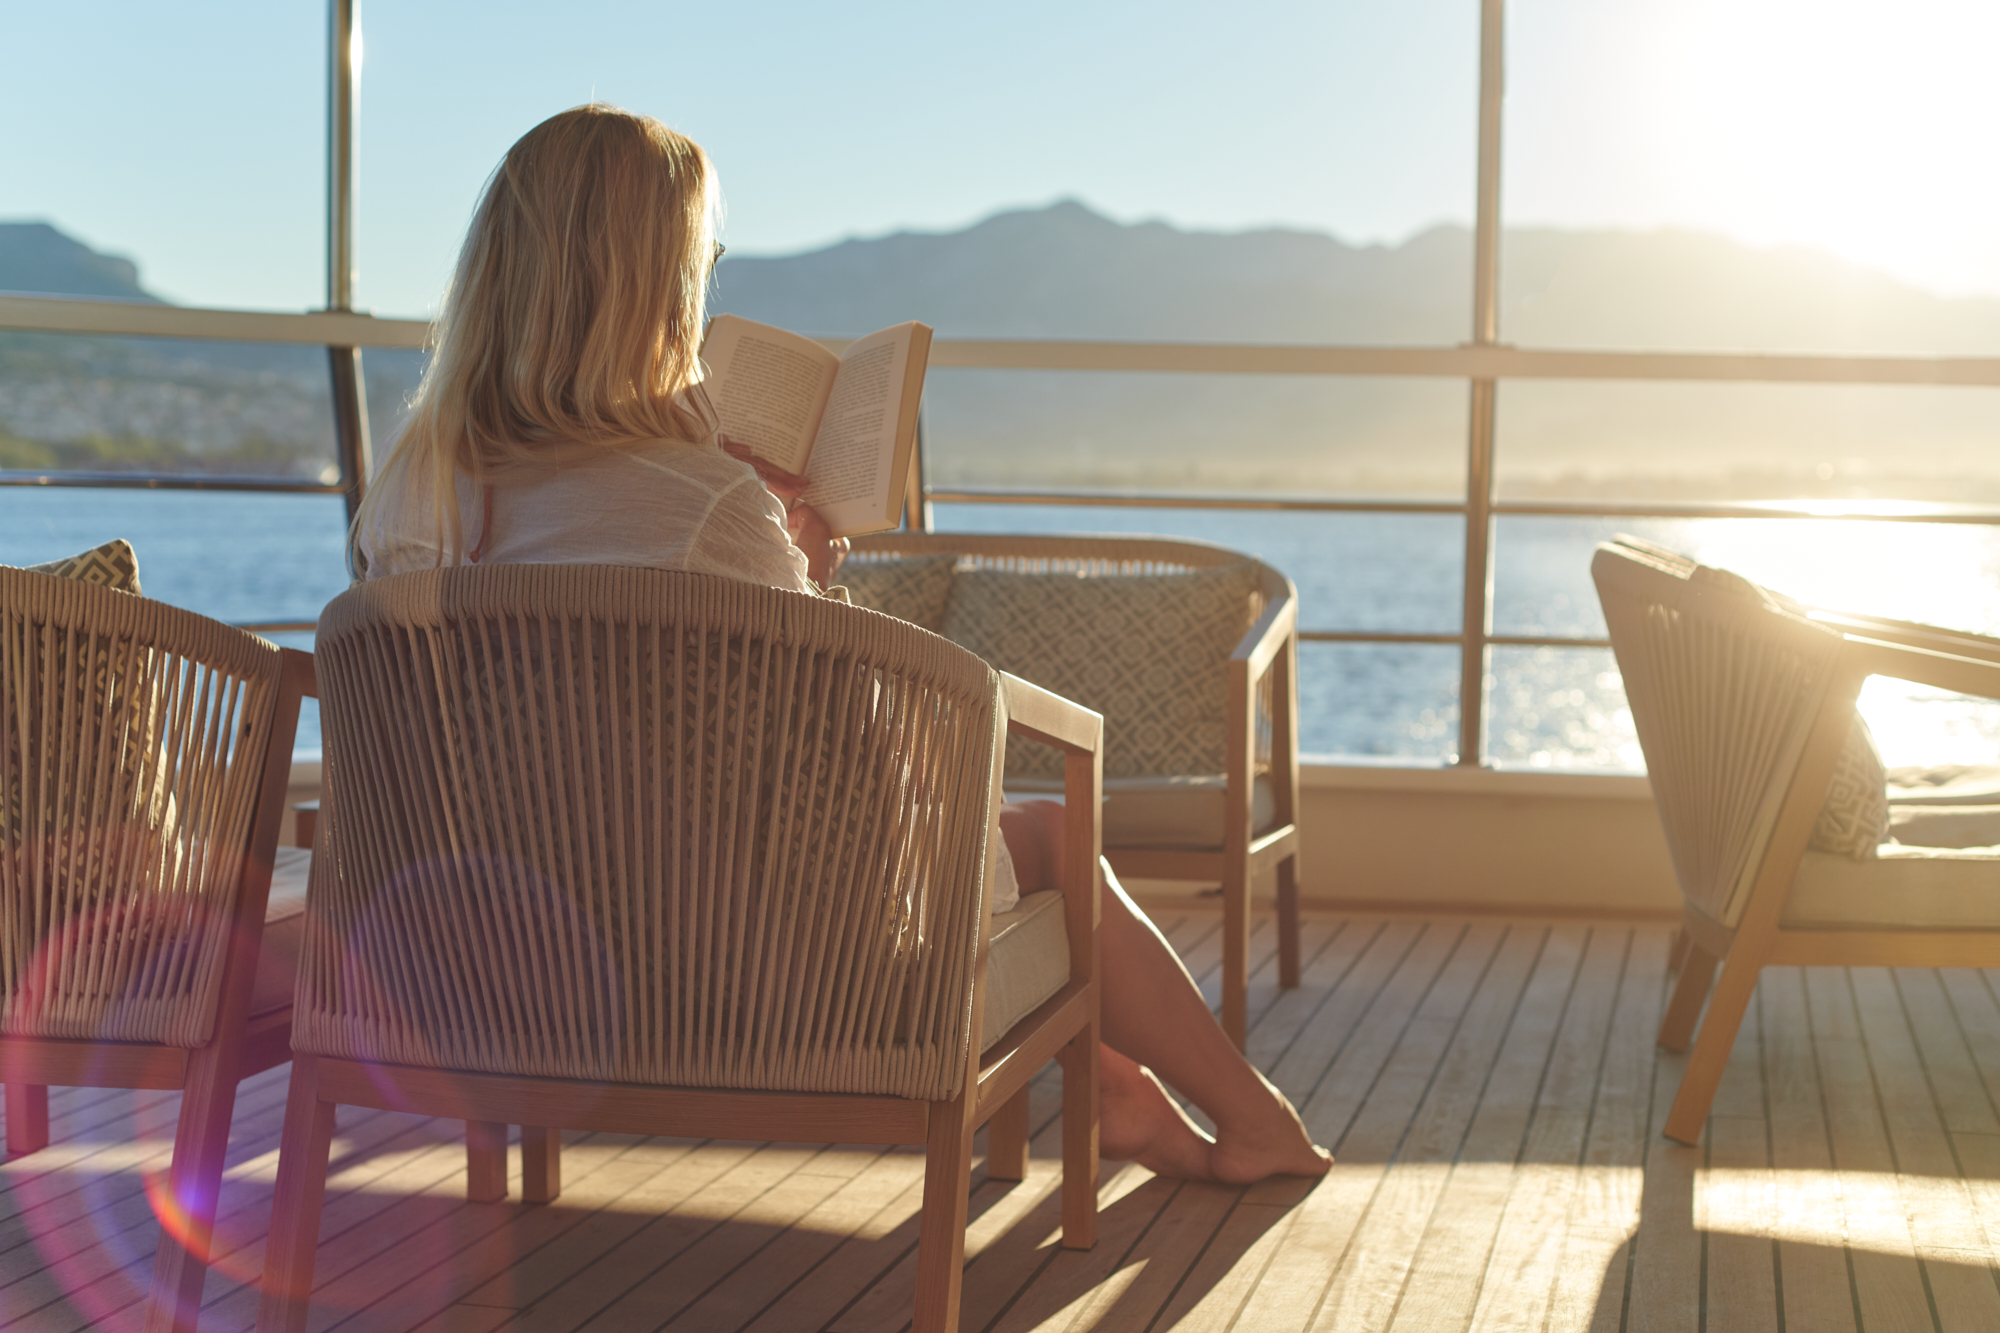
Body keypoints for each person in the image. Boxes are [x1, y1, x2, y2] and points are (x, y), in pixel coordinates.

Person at [350, 103, 1329, 1183]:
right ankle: (1253, 1120)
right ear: (655, 289)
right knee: (1047, 830)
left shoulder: (410, 495)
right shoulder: (704, 503)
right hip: (747, 967)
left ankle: (1126, 1093)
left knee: (1004, 838)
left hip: (493, 948)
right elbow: (854, 758)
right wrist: (803, 566)